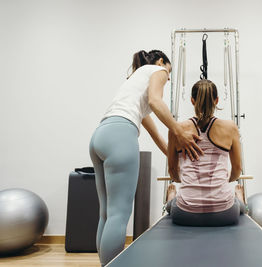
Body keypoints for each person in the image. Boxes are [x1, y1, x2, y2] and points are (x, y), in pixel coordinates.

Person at [89, 50, 203, 266]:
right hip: (120, 136)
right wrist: (180, 131)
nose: (166, 79)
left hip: (100, 135)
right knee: (119, 215)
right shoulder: (157, 70)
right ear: (162, 62)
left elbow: (156, 135)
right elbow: (156, 100)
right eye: (169, 75)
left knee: (107, 214)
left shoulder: (134, 81)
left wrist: (174, 158)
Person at [166, 79, 246, 226]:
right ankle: (239, 198)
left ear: (192, 100)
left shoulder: (177, 129)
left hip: (185, 215)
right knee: (239, 206)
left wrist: (181, 181)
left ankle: (172, 198)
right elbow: (237, 170)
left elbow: (172, 171)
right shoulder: (230, 127)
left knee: (172, 205)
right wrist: (220, 183)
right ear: (216, 100)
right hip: (225, 213)